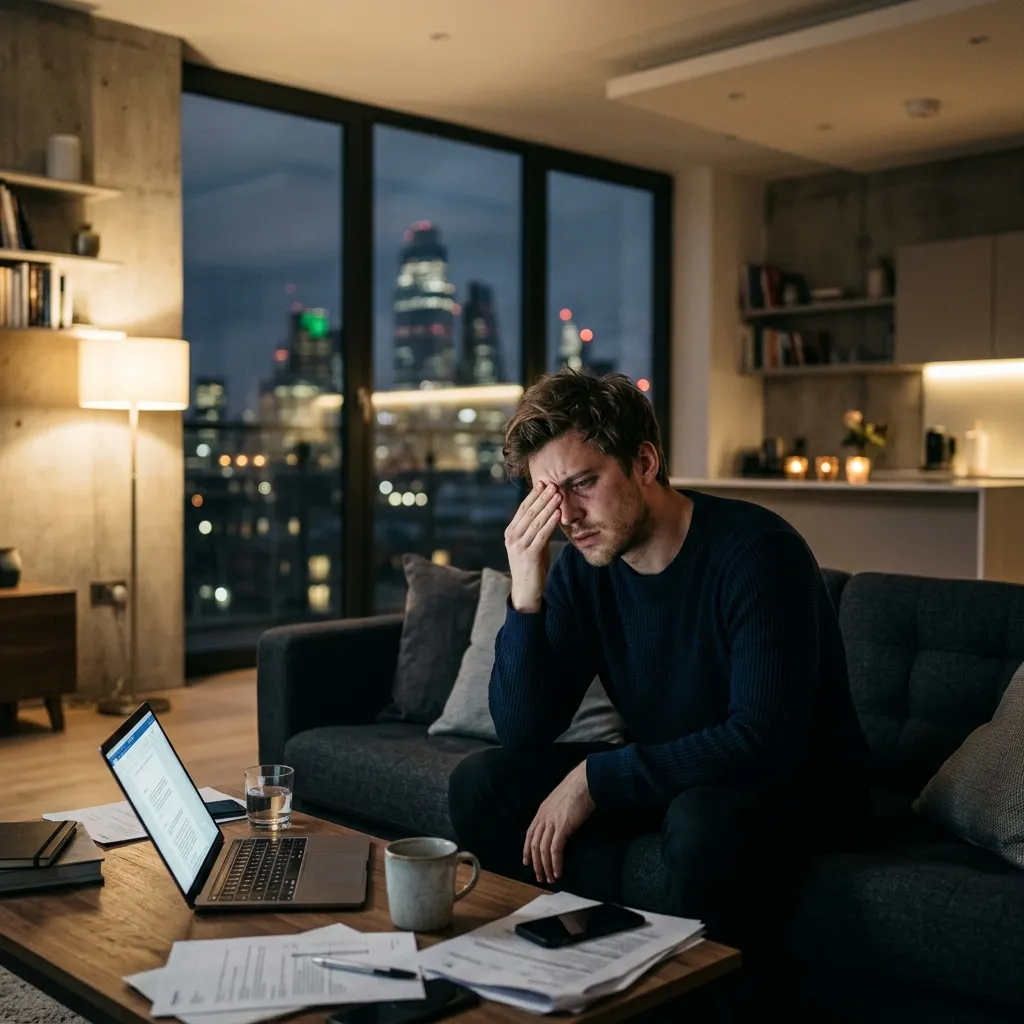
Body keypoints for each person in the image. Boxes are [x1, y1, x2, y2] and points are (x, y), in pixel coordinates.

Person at [448, 368, 868, 1008]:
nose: (565, 516)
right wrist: (526, 593)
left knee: (701, 822)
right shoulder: (590, 562)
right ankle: (532, 989)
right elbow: (523, 729)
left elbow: (762, 740)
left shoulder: (758, 552)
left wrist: (596, 778)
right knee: (483, 780)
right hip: (682, 772)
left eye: (582, 483)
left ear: (644, 461)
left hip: (796, 785)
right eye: (544, 494)